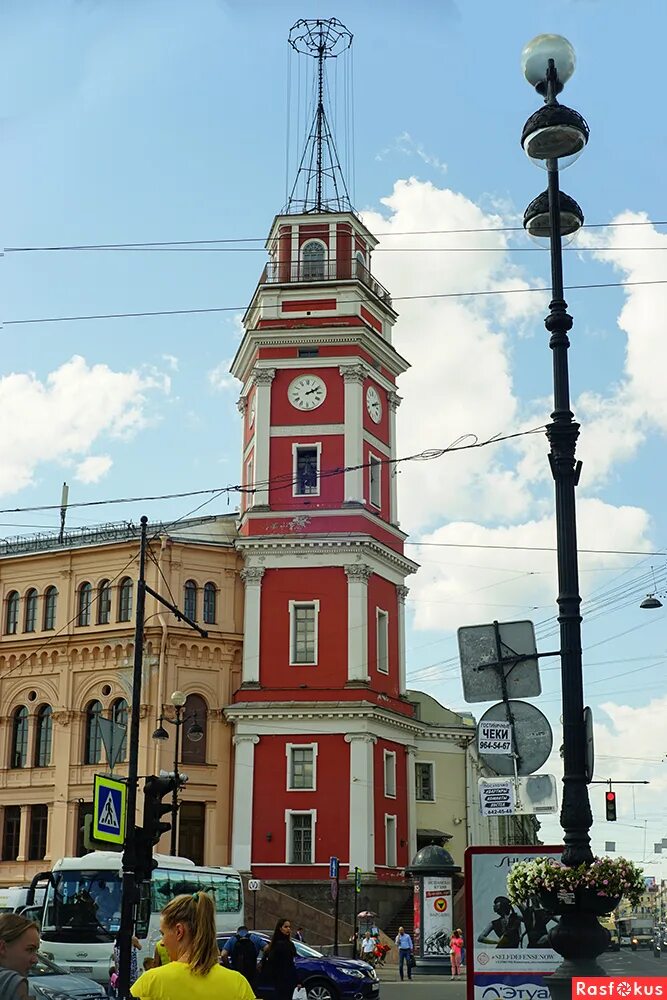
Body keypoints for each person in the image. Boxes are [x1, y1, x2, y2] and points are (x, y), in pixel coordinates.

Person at [130, 892, 255, 999]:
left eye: (163, 934)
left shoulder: (151, 983)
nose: (162, 942)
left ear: (179, 931)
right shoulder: (238, 984)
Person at [0, 913, 40, 1000]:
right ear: (2, 948)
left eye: (36, 951)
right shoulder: (13, 982)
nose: (35, 960)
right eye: (30, 949)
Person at [260, 918, 298, 1000]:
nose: (288, 929)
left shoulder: (274, 945)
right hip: (283, 980)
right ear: (280, 929)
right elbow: (290, 964)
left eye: (289, 927)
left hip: (279, 980)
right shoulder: (283, 945)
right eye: (286, 927)